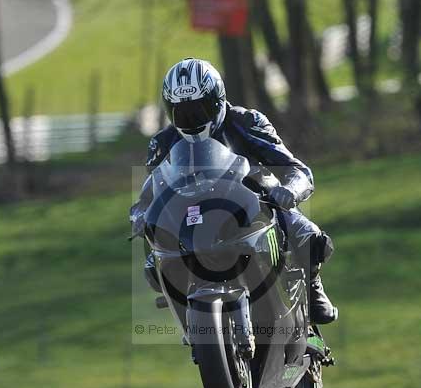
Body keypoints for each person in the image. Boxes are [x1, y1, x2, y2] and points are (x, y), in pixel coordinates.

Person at [130, 58, 338, 324]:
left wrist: (290, 190)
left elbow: (297, 170)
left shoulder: (247, 122)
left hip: (252, 204)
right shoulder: (162, 142)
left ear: (218, 101)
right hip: (192, 217)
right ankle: (190, 321)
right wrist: (139, 215)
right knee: (152, 263)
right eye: (182, 113)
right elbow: (152, 191)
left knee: (308, 236)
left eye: (200, 110)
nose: (192, 120)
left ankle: (312, 286)